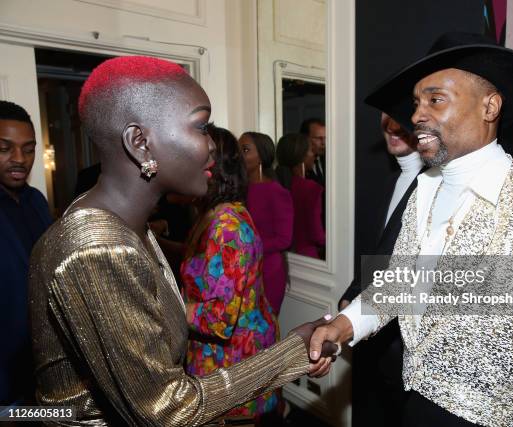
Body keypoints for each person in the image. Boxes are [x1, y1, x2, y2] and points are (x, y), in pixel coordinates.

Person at [28, 56, 335, 426]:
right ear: (140, 142)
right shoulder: (100, 247)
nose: (212, 146)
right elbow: (167, 411)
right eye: (201, 126)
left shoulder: (129, 226)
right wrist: (291, 352)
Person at [310, 32, 513, 426]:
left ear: (490, 107)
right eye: (417, 103)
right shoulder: (424, 192)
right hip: (412, 404)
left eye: (435, 99)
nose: (418, 114)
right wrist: (343, 324)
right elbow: (400, 283)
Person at [181, 126, 282, 425]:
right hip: (223, 354)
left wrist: (168, 306)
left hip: (234, 357)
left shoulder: (227, 227)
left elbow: (218, 319)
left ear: (212, 169)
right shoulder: (216, 215)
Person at [338, 113, 423, 426]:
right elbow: (378, 255)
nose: (391, 125)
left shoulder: (436, 186)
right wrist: (351, 295)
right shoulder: (389, 182)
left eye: (399, 115)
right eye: (385, 117)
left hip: (407, 340)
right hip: (374, 332)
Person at [0, 101, 52, 410]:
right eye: (4, 148)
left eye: (29, 149)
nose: (20, 159)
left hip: (40, 373)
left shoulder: (36, 201)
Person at [239, 131, 293, 315]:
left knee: (264, 333)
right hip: (242, 269)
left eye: (245, 149)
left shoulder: (275, 191)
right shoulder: (239, 189)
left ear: (261, 155)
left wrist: (247, 246)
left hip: (267, 272)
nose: (239, 154)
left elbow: (284, 240)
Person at [276, 133, 325, 259]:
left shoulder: (275, 184)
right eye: (310, 150)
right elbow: (317, 234)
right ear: (301, 157)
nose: (314, 154)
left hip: (283, 257)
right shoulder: (311, 188)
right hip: (307, 258)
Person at [300, 118, 325, 187]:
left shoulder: (331, 161)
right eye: (318, 138)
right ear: (305, 138)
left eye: (326, 138)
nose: (323, 142)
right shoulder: (298, 165)